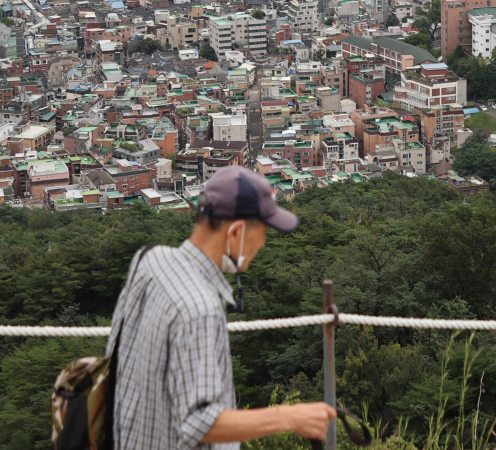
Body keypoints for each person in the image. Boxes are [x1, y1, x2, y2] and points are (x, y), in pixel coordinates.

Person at [107, 165, 336, 450]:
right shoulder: (199, 307)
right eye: (263, 230)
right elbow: (197, 423)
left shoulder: (149, 260)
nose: (264, 242)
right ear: (237, 232)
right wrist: (290, 416)